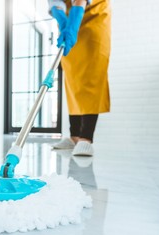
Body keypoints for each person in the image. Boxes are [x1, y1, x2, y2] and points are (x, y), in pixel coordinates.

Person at [48, 0, 111, 156]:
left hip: (94, 14)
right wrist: (62, 19)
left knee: (92, 75)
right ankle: (74, 136)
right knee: (72, 79)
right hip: (70, 17)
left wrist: (74, 22)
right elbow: (55, 3)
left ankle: (86, 138)